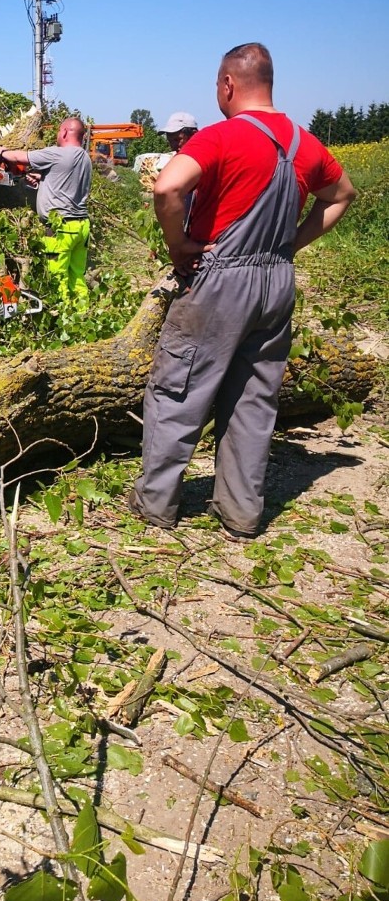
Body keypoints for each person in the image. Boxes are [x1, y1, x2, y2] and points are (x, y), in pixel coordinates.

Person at [129, 43, 356, 540]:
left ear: (228, 84)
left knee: (179, 388)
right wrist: (290, 246)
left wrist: (179, 245)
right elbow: (342, 196)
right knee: (254, 398)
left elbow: (167, 189)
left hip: (219, 278)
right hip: (276, 283)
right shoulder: (305, 143)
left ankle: (157, 503)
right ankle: (241, 513)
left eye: (217, 85)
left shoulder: (221, 137)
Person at [0, 117, 92, 309]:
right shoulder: (84, 158)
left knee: (57, 277)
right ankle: (82, 313)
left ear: (64, 132)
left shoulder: (58, 154)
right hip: (82, 226)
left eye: (58, 131)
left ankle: (62, 320)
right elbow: (65, 181)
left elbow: (17, 158)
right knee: (76, 276)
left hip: (61, 228)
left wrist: (0, 150)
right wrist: (42, 181)